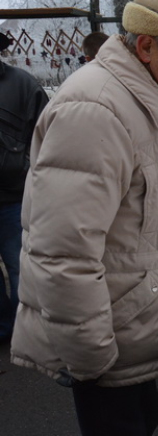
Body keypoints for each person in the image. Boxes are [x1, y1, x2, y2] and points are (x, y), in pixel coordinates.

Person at [10, 0, 158, 436]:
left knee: (146, 419)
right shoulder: (96, 110)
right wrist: (94, 358)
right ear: (147, 46)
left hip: (129, 331)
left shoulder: (144, 96)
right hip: (106, 345)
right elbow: (61, 253)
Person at [0, 33, 49, 344]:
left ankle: (26, 333)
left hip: (14, 197)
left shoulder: (22, 84)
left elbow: (49, 135)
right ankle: (3, 329)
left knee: (22, 268)